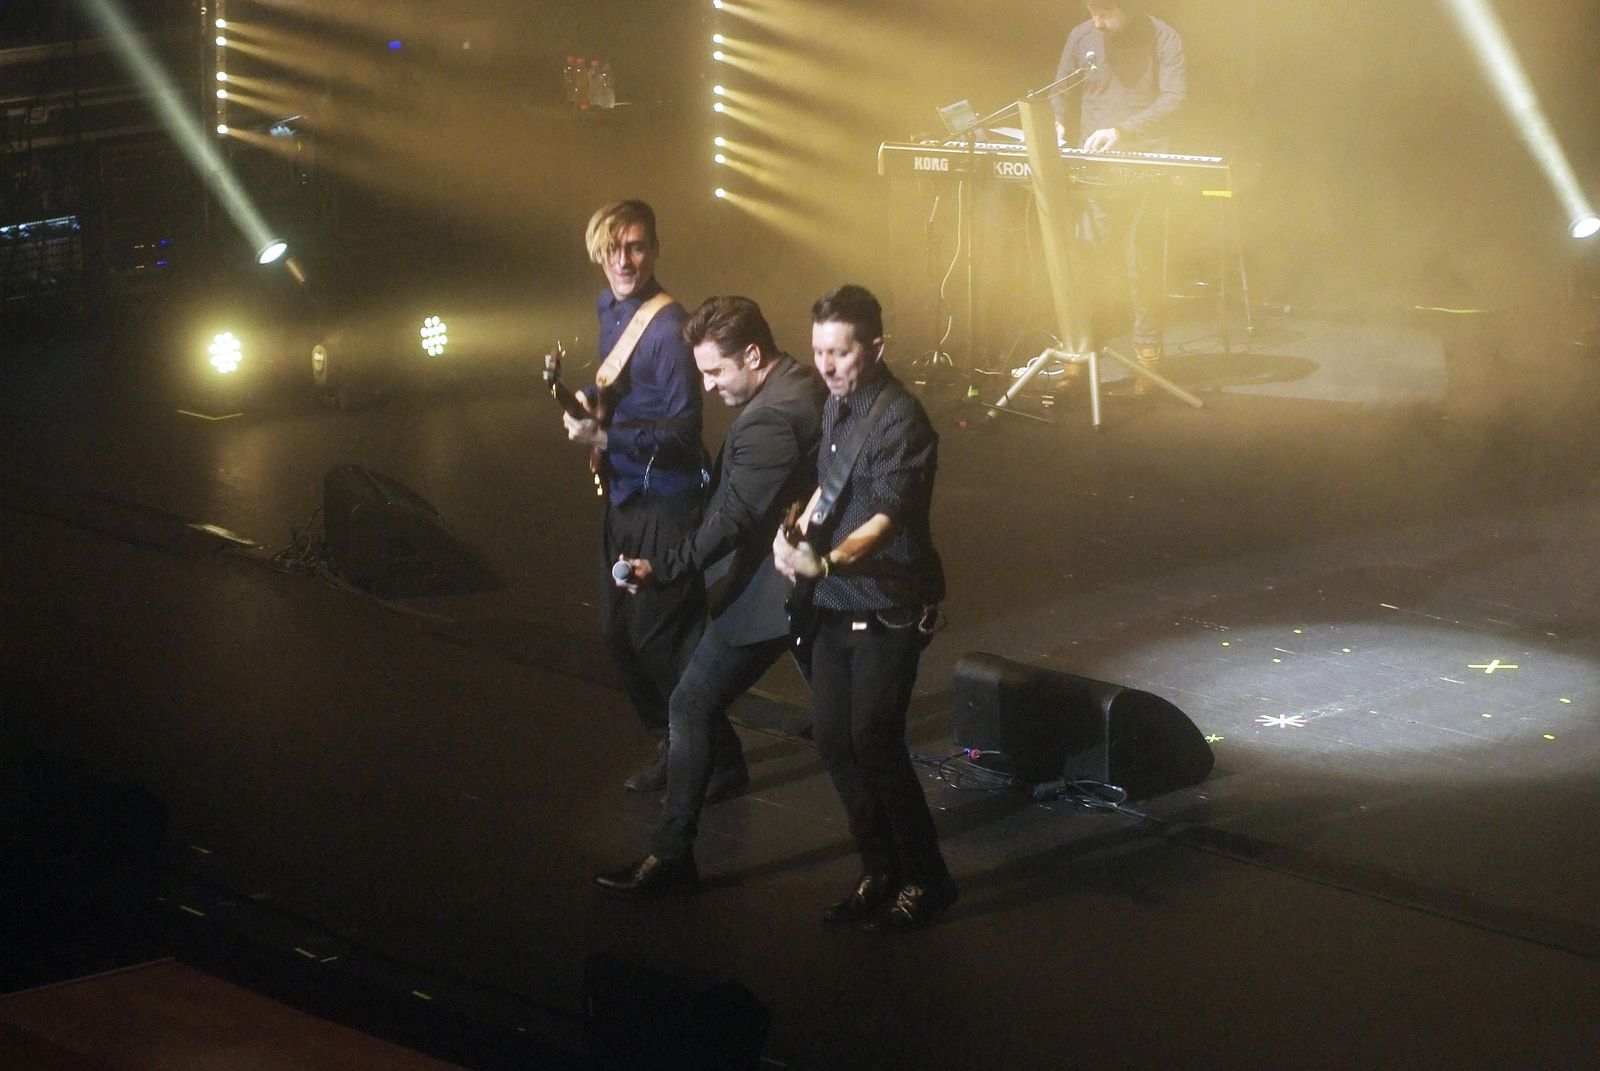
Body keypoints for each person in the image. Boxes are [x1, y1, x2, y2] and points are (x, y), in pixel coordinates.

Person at [594, 296, 827, 896]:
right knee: (852, 740)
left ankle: (672, 856)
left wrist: (665, 568)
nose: (707, 385)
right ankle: (900, 867)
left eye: (715, 371)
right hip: (807, 589)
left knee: (691, 702)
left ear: (752, 354)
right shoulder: (798, 383)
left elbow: (733, 518)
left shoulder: (771, 419)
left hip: (776, 595)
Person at [772, 284, 955, 932]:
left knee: (873, 738)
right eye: (819, 350)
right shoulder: (839, 406)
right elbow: (830, 480)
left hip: (890, 602)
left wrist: (828, 559)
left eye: (840, 352)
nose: (826, 364)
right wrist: (794, 529)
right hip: (832, 601)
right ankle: (879, 868)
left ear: (875, 347)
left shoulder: (902, 419)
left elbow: (884, 518)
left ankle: (927, 878)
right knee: (831, 738)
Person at [563, 200, 706, 792]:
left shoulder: (670, 330)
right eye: (615, 249)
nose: (626, 260)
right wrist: (595, 411)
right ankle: (674, 745)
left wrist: (605, 433)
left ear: (654, 249)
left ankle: (706, 757)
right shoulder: (611, 309)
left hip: (664, 505)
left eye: (638, 247)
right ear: (598, 252)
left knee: (658, 641)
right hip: (624, 496)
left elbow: (685, 430)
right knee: (619, 637)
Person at [1053, 2, 1187, 391]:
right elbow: (1061, 89)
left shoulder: (1163, 37)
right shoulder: (1081, 36)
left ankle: (1147, 359)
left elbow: (1175, 99)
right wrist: (1059, 124)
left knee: (1140, 261)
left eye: (1106, 13)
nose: (1099, 22)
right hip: (1095, 166)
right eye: (1092, 12)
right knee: (1087, 258)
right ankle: (1079, 354)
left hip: (1146, 163)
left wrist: (1123, 131)